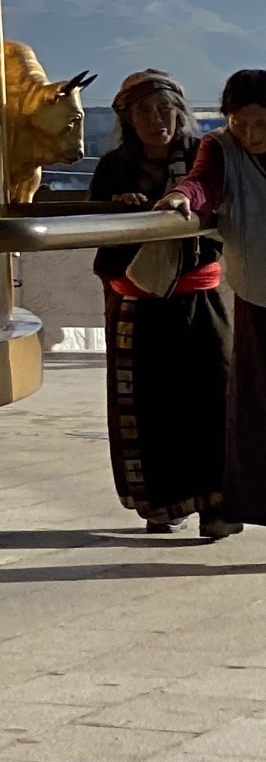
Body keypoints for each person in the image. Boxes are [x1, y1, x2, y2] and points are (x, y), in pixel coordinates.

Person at [91, 70, 230, 537]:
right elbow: (94, 226)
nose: (158, 120)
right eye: (145, 112)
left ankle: (217, 505)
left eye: (166, 110)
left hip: (197, 299)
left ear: (181, 113)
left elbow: (218, 204)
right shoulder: (113, 166)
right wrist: (121, 209)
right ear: (128, 120)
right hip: (136, 307)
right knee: (147, 407)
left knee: (214, 397)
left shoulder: (202, 158)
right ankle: (161, 503)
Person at [153, 69, 266, 533]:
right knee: (257, 409)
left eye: (261, 122)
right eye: (240, 123)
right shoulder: (221, 148)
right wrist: (182, 195)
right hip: (259, 295)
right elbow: (204, 184)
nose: (250, 134)